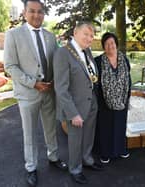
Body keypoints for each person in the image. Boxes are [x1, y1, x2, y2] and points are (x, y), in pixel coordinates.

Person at [3, 0, 67, 186]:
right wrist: (33, 83)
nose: (36, 15)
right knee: (29, 132)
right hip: (28, 93)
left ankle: (53, 157)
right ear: (24, 12)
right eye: (32, 11)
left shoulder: (49, 35)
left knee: (50, 128)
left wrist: (56, 79)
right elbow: (10, 66)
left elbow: (56, 60)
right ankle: (31, 167)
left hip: (49, 92)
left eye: (40, 11)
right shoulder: (13, 35)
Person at [53, 21, 103, 184]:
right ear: (75, 32)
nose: (90, 38)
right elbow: (61, 89)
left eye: (92, 35)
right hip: (75, 107)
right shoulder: (63, 53)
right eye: (86, 34)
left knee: (88, 136)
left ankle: (87, 160)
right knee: (75, 141)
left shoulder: (87, 50)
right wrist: (72, 113)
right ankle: (75, 169)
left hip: (90, 102)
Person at [94, 32, 131, 164]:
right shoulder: (98, 61)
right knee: (105, 128)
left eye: (112, 43)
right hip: (104, 102)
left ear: (116, 44)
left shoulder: (124, 59)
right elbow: (95, 83)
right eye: (107, 44)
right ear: (104, 46)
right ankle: (105, 152)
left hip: (122, 100)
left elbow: (128, 79)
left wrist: (126, 98)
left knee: (120, 125)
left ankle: (121, 149)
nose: (110, 46)